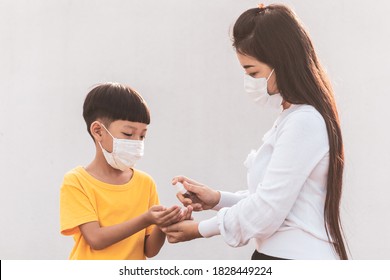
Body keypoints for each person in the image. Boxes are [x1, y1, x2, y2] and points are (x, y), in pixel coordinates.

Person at [162, 4, 349, 260]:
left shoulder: (304, 122)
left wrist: (198, 229)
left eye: (253, 71)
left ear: (282, 63)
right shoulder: (291, 118)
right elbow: (274, 200)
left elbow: (268, 209)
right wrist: (217, 198)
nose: (249, 81)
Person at [60, 83, 191, 260]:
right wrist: (147, 219)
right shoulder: (77, 181)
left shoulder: (145, 183)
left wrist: (162, 223)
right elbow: (96, 239)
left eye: (142, 136)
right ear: (98, 131)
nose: (137, 142)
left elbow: (149, 250)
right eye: (129, 134)